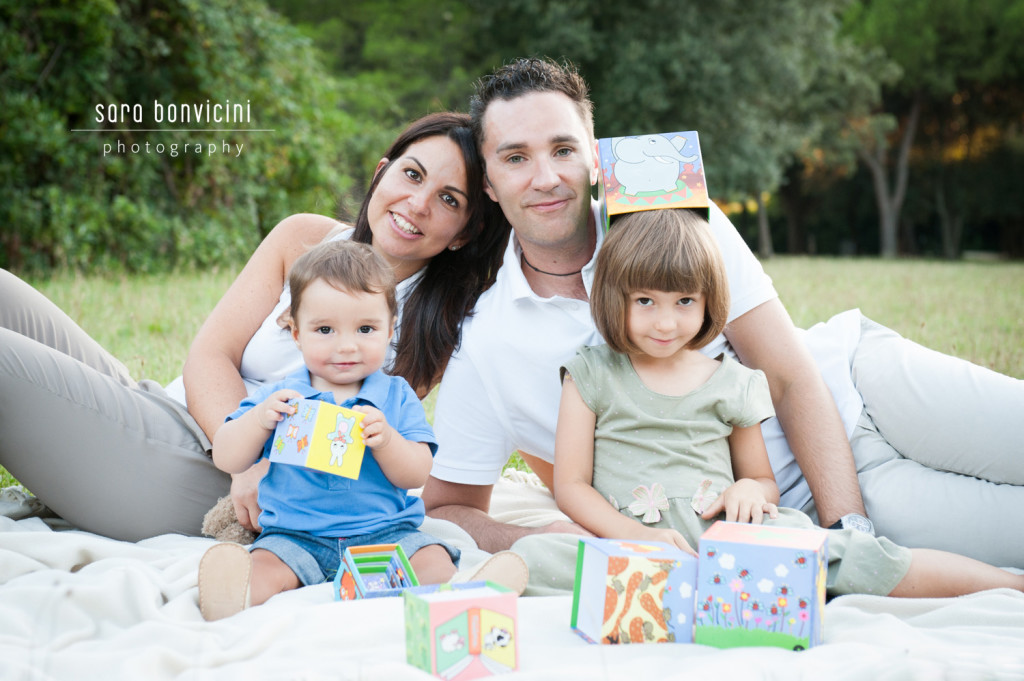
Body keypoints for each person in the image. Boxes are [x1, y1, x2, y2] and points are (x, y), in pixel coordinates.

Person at [421, 57, 1024, 568]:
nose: (546, 178)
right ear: (491, 185)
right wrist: (545, 539)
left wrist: (849, 533)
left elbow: (785, 374)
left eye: (563, 150)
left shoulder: (673, 217)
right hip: (785, 507)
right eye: (515, 158)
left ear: (596, 159)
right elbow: (448, 506)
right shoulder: (490, 337)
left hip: (861, 388)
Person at [0, 111, 508, 542]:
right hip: (191, 423)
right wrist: (239, 454)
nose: (418, 203)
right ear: (381, 174)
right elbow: (210, 356)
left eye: (449, 200)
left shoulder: (439, 325)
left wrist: (247, 469)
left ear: (465, 233)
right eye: (413, 175)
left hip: (215, 486)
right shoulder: (303, 237)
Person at [549, 207, 1024, 600]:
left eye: (685, 301)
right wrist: (631, 535)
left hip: (733, 538)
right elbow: (569, 485)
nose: (667, 323)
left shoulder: (731, 382)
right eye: (645, 301)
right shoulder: (591, 375)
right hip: (636, 548)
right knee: (544, 558)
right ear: (614, 298)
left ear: (709, 300)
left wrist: (749, 493)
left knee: (862, 559)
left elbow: (760, 479)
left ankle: (1011, 586)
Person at [198, 239, 458, 620]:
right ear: (297, 333)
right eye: (325, 330)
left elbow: (417, 472)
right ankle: (230, 595)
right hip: (295, 535)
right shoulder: (282, 397)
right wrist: (258, 421)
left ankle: (408, 590)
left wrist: (387, 442)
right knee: (260, 571)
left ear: (390, 330)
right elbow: (227, 455)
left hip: (382, 535)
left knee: (435, 561)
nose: (346, 346)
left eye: (366, 328)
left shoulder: (395, 396)